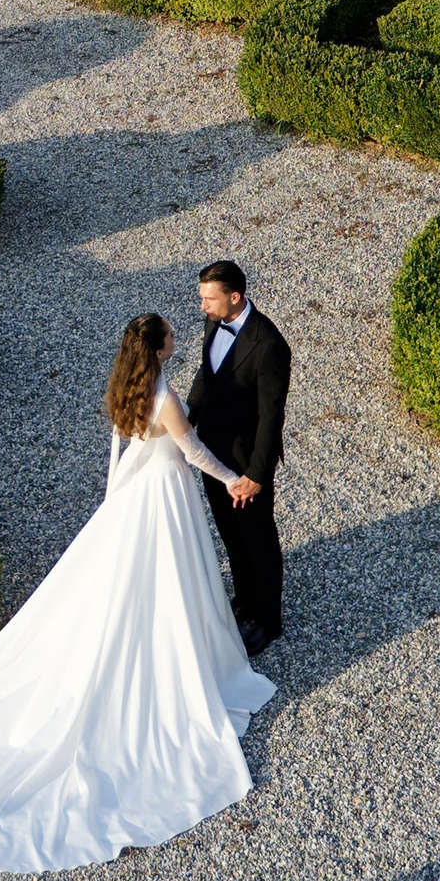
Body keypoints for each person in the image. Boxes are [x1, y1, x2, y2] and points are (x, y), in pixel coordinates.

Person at [0, 310, 274, 872]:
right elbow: (193, 453)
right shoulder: (165, 400)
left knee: (133, 585)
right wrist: (234, 479)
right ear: (159, 349)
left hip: (135, 495)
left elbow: (119, 449)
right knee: (171, 580)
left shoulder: (126, 387)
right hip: (163, 496)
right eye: (170, 337)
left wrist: (112, 504)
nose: (178, 339)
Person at [187, 259, 291, 652]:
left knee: (259, 540)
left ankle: (269, 621)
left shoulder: (269, 346)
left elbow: (271, 417)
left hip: (246, 464)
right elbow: (206, 374)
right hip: (212, 454)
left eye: (209, 299)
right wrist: (187, 419)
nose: (203, 307)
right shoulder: (215, 319)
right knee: (231, 535)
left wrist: (256, 474)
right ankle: (245, 600)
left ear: (236, 297)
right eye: (202, 298)